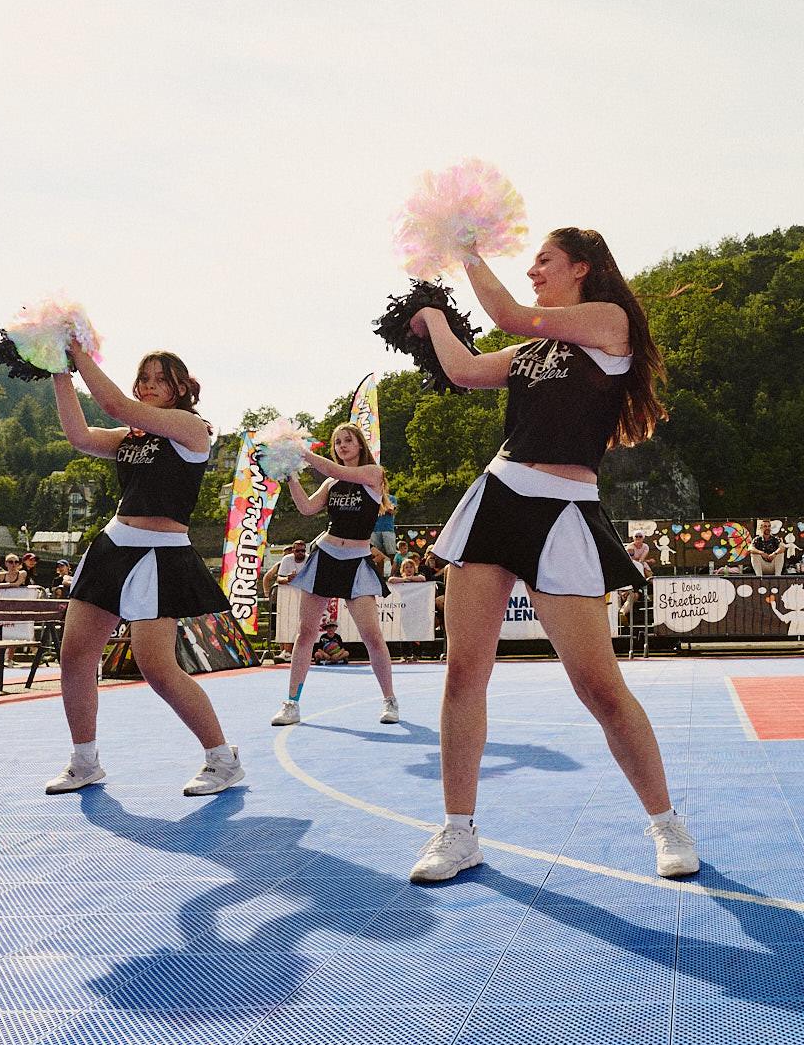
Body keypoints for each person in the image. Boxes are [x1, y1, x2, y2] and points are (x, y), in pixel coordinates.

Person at [407, 228, 697, 882]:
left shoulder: (609, 322)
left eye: (544, 260)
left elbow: (508, 312)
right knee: (464, 673)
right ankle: (458, 830)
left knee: (599, 686)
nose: (533, 269)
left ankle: (665, 822)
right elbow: (463, 370)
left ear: (581, 268)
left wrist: (466, 250)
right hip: (496, 500)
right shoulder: (532, 350)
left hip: (564, 514)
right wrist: (431, 316)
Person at [45, 346, 241, 797]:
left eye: (161, 378)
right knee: (75, 657)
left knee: (157, 667)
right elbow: (79, 436)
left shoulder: (191, 429)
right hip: (112, 547)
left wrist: (77, 352)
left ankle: (222, 759)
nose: (149, 384)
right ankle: (84, 761)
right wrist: (58, 369)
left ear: (181, 388)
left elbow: (115, 404)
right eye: (144, 377)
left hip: (160, 554)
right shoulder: (130, 436)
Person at [269, 424, 400, 727]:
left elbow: (331, 468)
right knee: (305, 633)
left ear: (360, 445)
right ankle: (291, 703)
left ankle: (390, 699)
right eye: (337, 442)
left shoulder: (373, 474)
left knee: (372, 637)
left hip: (357, 561)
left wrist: (301, 451)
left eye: (348, 440)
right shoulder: (331, 482)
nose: (342, 445)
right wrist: (290, 475)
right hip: (325, 557)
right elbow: (306, 508)